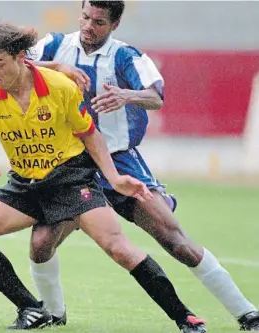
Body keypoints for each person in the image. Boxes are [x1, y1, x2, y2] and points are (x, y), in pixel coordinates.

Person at [0, 22, 207, 332]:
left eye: (0, 64)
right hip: (26, 183)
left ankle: (185, 317)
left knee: (118, 248)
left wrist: (113, 178)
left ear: (21, 58)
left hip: (71, 179)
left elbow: (91, 135)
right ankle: (31, 310)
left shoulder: (59, 86)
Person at [26, 1, 259, 331]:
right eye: (85, 17)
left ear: (115, 24)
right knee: (41, 242)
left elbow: (156, 96)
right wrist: (58, 69)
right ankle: (53, 313)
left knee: (175, 239)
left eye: (99, 22)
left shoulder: (127, 57)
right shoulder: (54, 45)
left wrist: (126, 95)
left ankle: (247, 313)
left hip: (120, 162)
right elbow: (18, 64)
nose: (89, 26)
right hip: (70, 165)